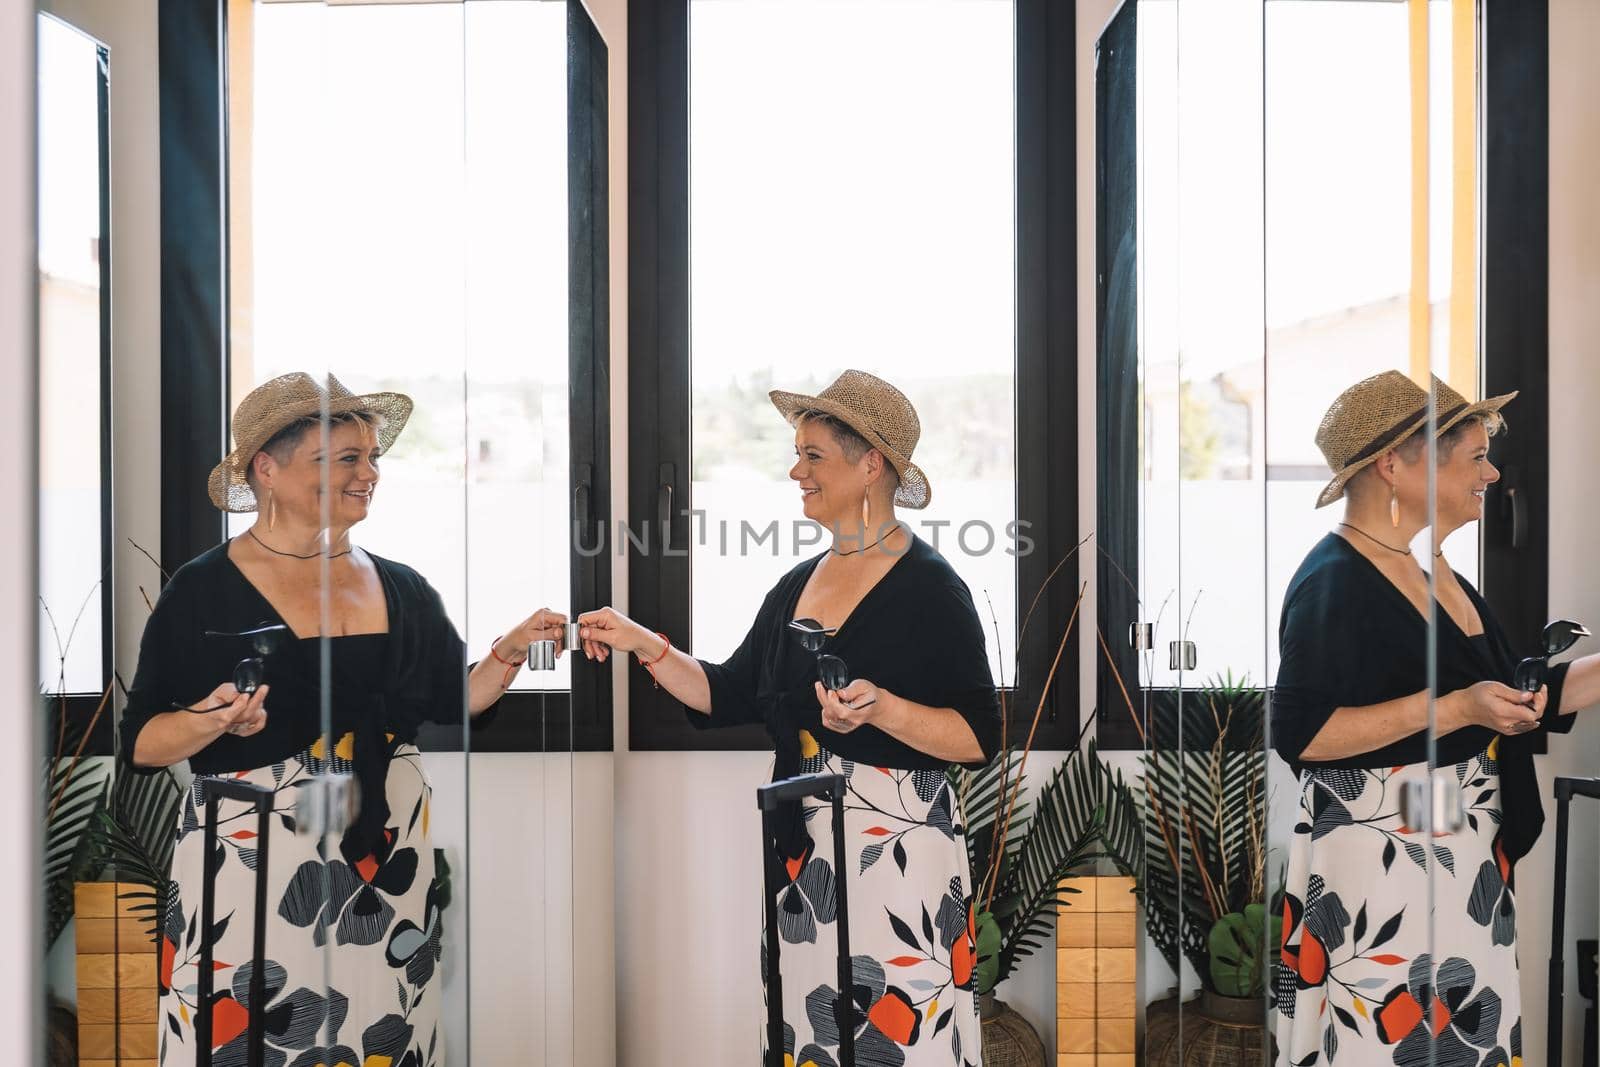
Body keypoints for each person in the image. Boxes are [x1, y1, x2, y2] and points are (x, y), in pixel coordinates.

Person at [120, 372, 566, 1066]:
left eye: (372, 457)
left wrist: (507, 651)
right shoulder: (203, 589)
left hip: (386, 864)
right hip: (253, 864)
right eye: (344, 458)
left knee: (381, 1033)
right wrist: (209, 720)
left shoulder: (402, 586)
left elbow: (458, 701)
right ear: (267, 467)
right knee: (253, 1036)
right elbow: (145, 743)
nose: (369, 474)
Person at [578, 370, 1000, 1066]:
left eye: (813, 455)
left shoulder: (931, 587)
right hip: (807, 857)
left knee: (899, 1039)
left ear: (871, 465)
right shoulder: (794, 585)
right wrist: (640, 641)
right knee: (815, 1036)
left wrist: (886, 707)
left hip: (896, 859)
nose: (794, 470)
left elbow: (979, 737)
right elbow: (728, 693)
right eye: (796, 452)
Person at [1273, 371, 1600, 1065]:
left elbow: (1524, 694)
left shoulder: (1429, 570)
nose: (1492, 470)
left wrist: (1490, 704)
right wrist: (1456, 706)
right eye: (1474, 456)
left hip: (1454, 862)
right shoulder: (1334, 578)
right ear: (1394, 463)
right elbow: (1302, 733)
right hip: (1384, 869)